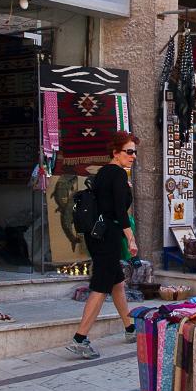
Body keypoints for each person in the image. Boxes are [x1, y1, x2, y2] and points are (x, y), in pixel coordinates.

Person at [67, 131, 139, 359]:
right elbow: (119, 211)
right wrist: (131, 237)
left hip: (97, 234)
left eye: (135, 152)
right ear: (116, 153)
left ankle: (130, 328)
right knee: (100, 286)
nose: (133, 156)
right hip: (107, 235)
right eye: (129, 151)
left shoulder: (104, 173)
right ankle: (80, 338)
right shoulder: (117, 174)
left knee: (117, 281)